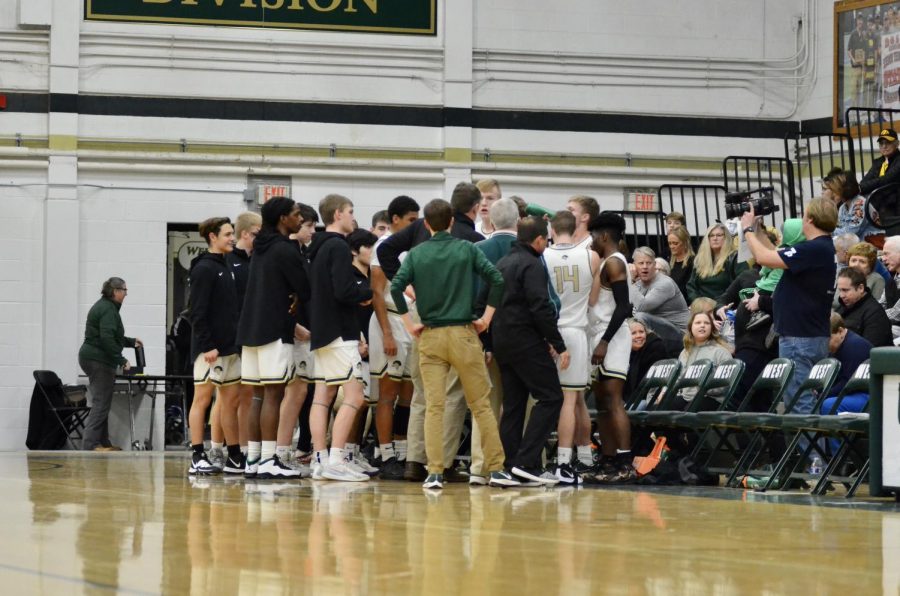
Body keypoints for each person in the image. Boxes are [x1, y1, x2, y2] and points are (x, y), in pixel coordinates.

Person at [389, 198, 516, 490]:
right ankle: (495, 468)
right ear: (450, 222)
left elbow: (396, 287)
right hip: (463, 334)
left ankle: (434, 472)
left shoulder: (417, 253)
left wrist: (410, 325)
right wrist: (486, 317)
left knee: (435, 406)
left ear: (425, 224)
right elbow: (496, 279)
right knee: (481, 405)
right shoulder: (466, 249)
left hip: (430, 336)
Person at [376, 182, 485, 483]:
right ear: (474, 209)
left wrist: (406, 287)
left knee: (422, 393)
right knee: (451, 396)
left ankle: (414, 460)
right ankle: (443, 462)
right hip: (456, 322)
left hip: (422, 318)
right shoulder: (472, 240)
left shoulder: (420, 231)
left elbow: (384, 248)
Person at [740, 196, 838, 415]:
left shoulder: (813, 250)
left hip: (799, 337)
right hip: (809, 335)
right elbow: (773, 253)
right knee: (805, 400)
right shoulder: (818, 249)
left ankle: (810, 451)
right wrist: (756, 227)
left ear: (810, 219)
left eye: (803, 214)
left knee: (799, 402)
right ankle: (814, 450)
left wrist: (746, 230)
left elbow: (764, 258)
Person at [236, 197, 310, 479]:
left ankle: (253, 459)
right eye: (295, 214)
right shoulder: (284, 249)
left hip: (250, 330)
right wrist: (295, 296)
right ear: (282, 218)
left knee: (257, 395)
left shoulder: (260, 248)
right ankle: (269, 459)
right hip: (274, 329)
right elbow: (305, 287)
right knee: (273, 393)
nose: (300, 219)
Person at [492, 216, 566, 486]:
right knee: (551, 397)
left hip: (502, 341)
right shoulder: (532, 264)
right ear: (538, 240)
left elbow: (488, 302)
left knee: (513, 405)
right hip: (526, 340)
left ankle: (510, 466)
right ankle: (527, 462)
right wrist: (558, 344)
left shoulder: (502, 263)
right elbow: (540, 307)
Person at [307, 194, 374, 482]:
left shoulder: (317, 246)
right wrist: (367, 293)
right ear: (337, 215)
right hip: (338, 332)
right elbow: (344, 290)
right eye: (350, 211)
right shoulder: (336, 246)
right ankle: (336, 458)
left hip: (322, 331)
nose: (352, 217)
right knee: (356, 397)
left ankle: (320, 459)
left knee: (322, 397)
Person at [543, 210, 599, 484]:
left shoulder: (542, 255)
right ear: (576, 227)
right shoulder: (591, 256)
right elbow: (594, 298)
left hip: (549, 331)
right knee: (574, 399)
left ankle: (563, 460)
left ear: (552, 229)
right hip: (577, 331)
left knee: (557, 399)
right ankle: (574, 458)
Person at [368, 196, 420, 480]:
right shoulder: (383, 246)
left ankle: (401, 450)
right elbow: (377, 293)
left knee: (408, 392)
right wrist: (387, 332)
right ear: (395, 219)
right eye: (411, 220)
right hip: (389, 319)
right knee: (387, 393)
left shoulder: (411, 246)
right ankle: (384, 452)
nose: (416, 225)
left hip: (411, 322)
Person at [187, 217, 243, 476]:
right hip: (210, 350)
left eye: (233, 234)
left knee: (230, 403)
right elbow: (196, 312)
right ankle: (197, 454)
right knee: (202, 400)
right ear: (212, 236)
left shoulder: (227, 264)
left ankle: (234, 456)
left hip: (231, 348)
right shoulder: (204, 269)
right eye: (228, 234)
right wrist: (207, 345)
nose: (232, 238)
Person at [469, 198, 519, 485]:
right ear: (517, 220)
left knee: (484, 403)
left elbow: (474, 295)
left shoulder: (478, 249)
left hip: (483, 334)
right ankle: (520, 462)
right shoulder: (532, 250)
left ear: (492, 220)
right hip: (521, 338)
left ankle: (479, 465)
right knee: (519, 404)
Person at [586, 212, 635, 484]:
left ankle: (625, 462)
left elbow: (624, 308)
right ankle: (608, 459)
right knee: (603, 403)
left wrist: (604, 341)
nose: (591, 240)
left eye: (594, 235)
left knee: (613, 400)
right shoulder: (606, 261)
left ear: (604, 236)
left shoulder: (615, 263)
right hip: (602, 336)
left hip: (613, 338)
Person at [78, 277, 141, 451]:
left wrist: (131, 341)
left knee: (103, 402)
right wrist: (121, 359)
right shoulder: (107, 309)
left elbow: (111, 336)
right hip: (98, 359)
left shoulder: (107, 307)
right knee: (100, 402)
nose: (126, 294)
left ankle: (102, 442)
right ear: (115, 291)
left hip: (95, 357)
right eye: (124, 290)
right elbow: (106, 339)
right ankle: (91, 444)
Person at [226, 211, 261, 461]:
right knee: (229, 398)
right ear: (246, 233)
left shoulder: (255, 261)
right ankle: (225, 448)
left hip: (249, 338)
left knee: (247, 394)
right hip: (231, 338)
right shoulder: (229, 262)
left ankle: (245, 448)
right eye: (258, 233)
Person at [345, 228, 379, 475]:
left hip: (374, 347)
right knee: (355, 402)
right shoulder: (350, 276)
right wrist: (358, 339)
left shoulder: (374, 277)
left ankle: (354, 452)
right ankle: (345, 452)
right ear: (355, 251)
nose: (374, 253)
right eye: (370, 247)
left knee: (366, 404)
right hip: (355, 346)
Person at [631, 246, 689, 356]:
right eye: (641, 263)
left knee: (640, 316)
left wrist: (629, 281)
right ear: (634, 266)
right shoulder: (637, 284)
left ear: (654, 265)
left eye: (649, 263)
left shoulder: (664, 283)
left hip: (680, 336)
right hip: (659, 332)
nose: (645, 267)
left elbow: (643, 306)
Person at [673, 311, 732, 410]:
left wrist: (704, 387)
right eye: (698, 323)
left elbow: (725, 385)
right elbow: (677, 378)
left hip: (712, 399)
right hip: (686, 398)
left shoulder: (721, 352)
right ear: (691, 327)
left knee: (689, 410)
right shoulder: (685, 352)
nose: (702, 326)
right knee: (660, 408)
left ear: (712, 328)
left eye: (707, 323)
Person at [820, 313, 872, 418]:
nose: (824, 344)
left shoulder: (855, 346)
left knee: (828, 405)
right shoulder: (838, 346)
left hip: (869, 395)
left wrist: (822, 395)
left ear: (840, 331)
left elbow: (847, 384)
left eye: (827, 339)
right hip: (853, 392)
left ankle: (832, 435)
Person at [686, 223, 747, 303]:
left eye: (719, 235)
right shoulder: (700, 259)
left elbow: (742, 284)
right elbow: (691, 286)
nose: (715, 238)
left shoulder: (735, 258)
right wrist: (697, 301)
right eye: (711, 235)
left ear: (726, 238)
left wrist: (719, 305)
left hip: (725, 305)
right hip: (701, 305)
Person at [834, 267, 893, 347]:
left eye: (845, 290)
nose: (841, 295)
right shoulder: (843, 307)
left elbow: (869, 351)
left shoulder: (875, 314)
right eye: (840, 290)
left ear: (861, 288)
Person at [827, 170, 883, 246]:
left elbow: (851, 232)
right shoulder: (843, 208)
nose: (831, 194)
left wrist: (827, 231)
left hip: (874, 242)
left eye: (834, 190)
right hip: (860, 243)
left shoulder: (859, 204)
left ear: (845, 189)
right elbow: (843, 231)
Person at [859, 128, 900, 196]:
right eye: (881, 143)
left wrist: (861, 188)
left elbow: (886, 179)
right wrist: (859, 188)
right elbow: (864, 181)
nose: (884, 146)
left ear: (897, 144)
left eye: (888, 142)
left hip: (893, 202)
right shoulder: (877, 162)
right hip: (876, 199)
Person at [668, 225, 695, 301]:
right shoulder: (669, 262)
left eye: (675, 243)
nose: (671, 246)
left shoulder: (693, 262)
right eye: (670, 243)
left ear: (685, 243)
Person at [881, 235, 900, 342]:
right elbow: (881, 304)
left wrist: (870, 317)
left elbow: (897, 313)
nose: (883, 259)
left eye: (886, 254)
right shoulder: (891, 280)